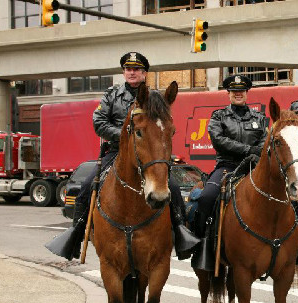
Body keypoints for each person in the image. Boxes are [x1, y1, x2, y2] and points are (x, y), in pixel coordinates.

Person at [46, 51, 198, 261]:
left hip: (147, 153)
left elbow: (160, 126)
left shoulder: (155, 98)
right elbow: (99, 122)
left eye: (136, 69)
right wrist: (125, 137)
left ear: (144, 73)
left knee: (171, 186)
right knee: (87, 186)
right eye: (128, 69)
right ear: (124, 72)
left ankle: (181, 232)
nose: (132, 72)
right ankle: (75, 234)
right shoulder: (112, 95)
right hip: (117, 151)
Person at [191, 74, 269, 271]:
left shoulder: (259, 117)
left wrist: (254, 152)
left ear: (246, 93)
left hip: (254, 167)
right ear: (229, 94)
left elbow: (264, 140)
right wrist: (247, 150)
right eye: (234, 91)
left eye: (241, 91)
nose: (238, 94)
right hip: (227, 167)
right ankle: (201, 242)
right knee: (206, 197)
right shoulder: (219, 116)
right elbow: (218, 140)